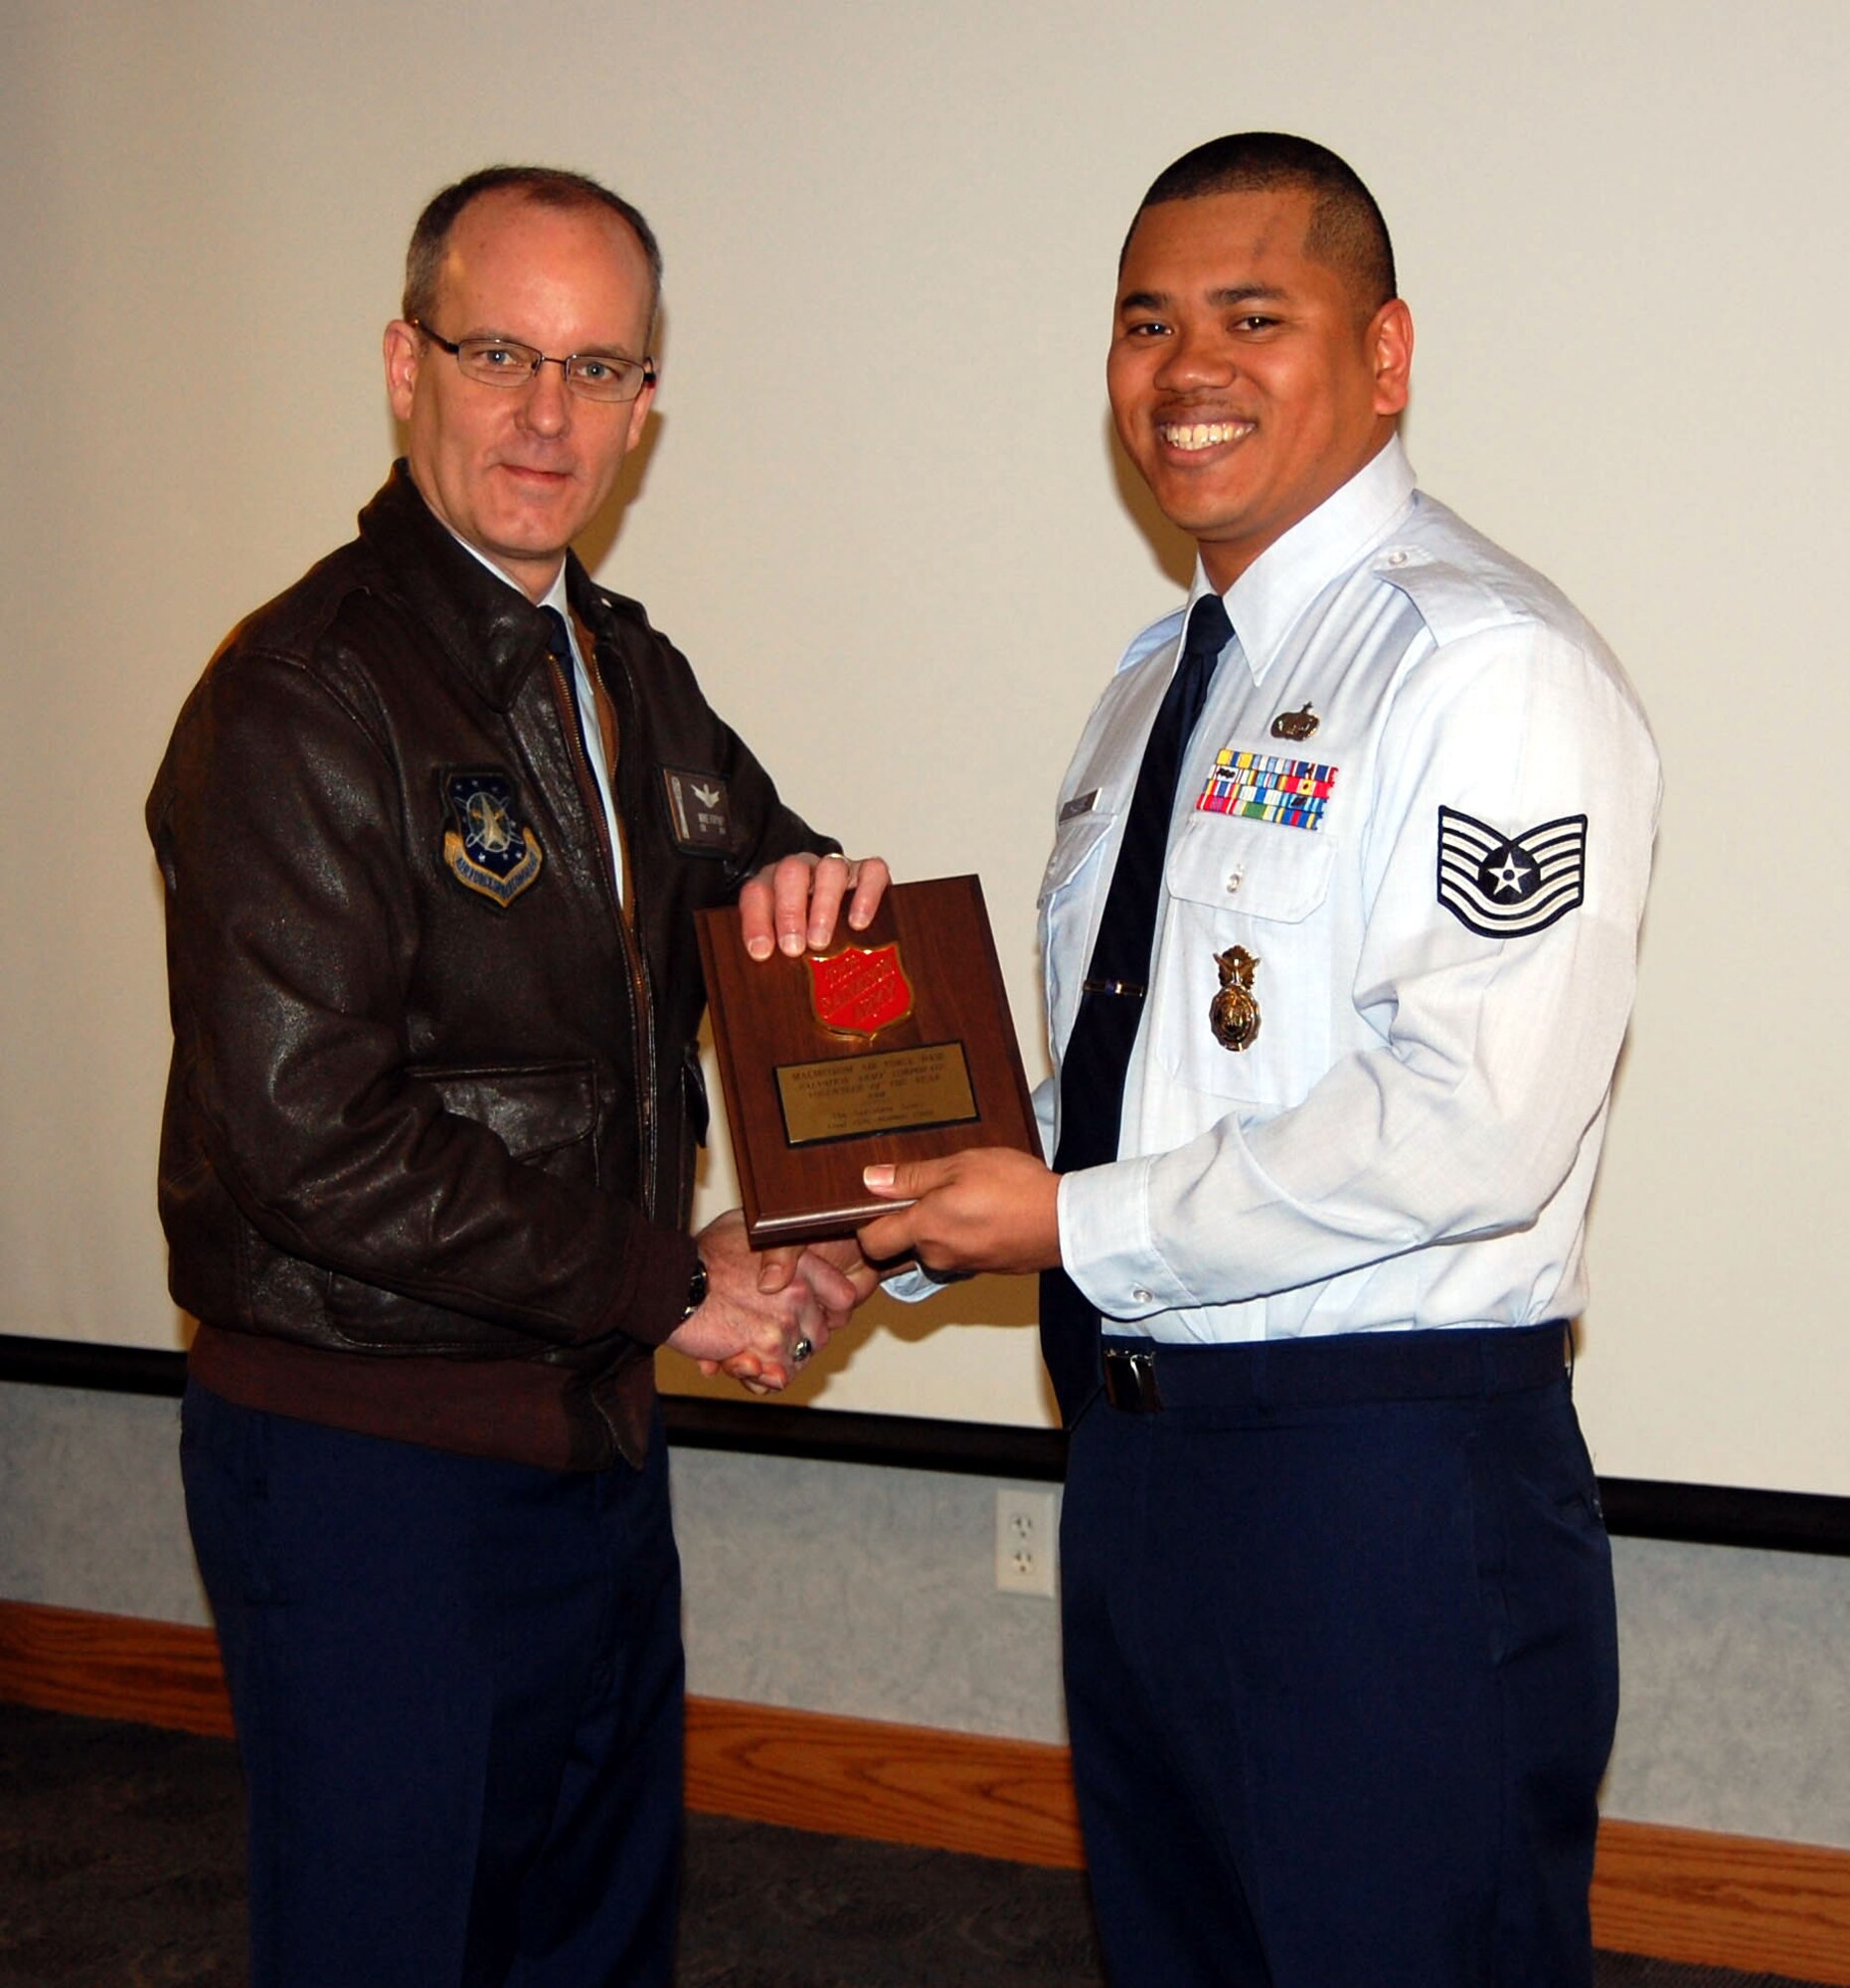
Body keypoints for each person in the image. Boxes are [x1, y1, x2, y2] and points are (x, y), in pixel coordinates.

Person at [861, 133, 1659, 1986]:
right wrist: (886, 1218)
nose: (1183, 370)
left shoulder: (1485, 668)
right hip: (1150, 1477)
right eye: (1145, 323)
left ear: (1381, 355)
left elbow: (1470, 1127)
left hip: (1374, 1488)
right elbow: (1127, 1085)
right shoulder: (1160, 680)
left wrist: (1062, 1218)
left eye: (1249, 316)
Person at [148, 165, 885, 1987]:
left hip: (584, 1444)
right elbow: (308, 1143)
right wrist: (674, 1281)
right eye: (501, 354)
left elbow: (799, 919)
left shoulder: (626, 673)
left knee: (587, 1943)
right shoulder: (305, 694)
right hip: (371, 1466)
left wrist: (859, 1191)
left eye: (600, 368)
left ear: (646, 408)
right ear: (406, 366)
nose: (549, 415)